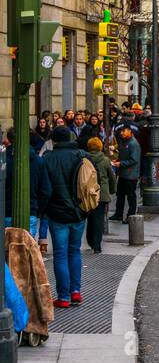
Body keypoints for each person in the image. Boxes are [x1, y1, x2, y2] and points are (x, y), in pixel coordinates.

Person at [40, 126, 88, 308]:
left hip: (57, 212)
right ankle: (75, 291)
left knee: (60, 253)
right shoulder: (81, 155)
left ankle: (63, 297)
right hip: (78, 211)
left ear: (54, 140)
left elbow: (45, 187)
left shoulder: (48, 158)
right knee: (74, 251)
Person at [3, 128, 50, 238]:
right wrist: (38, 209)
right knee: (25, 250)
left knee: (6, 250)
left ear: (9, 139)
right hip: (30, 211)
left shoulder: (3, 159)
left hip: (5, 211)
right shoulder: (38, 161)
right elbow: (46, 191)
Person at [84, 137, 116, 254]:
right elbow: (111, 177)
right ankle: (97, 245)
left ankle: (91, 241)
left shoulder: (84, 159)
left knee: (90, 218)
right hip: (101, 194)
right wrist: (112, 190)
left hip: (88, 193)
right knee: (99, 219)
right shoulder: (105, 160)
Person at [113, 124, 141, 223]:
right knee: (120, 194)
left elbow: (134, 160)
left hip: (130, 174)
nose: (121, 133)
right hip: (123, 173)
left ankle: (131, 215)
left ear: (129, 131)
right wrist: (118, 160)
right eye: (121, 131)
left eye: (123, 131)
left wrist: (121, 163)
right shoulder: (124, 141)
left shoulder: (133, 143)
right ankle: (118, 213)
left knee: (130, 195)